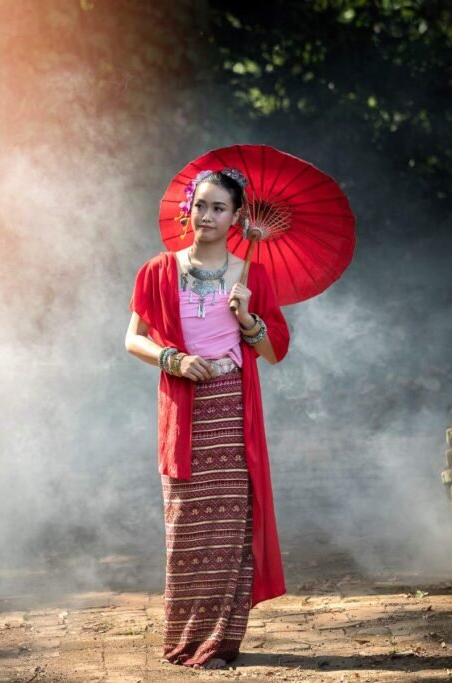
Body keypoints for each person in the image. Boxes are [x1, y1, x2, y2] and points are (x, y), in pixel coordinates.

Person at [125, 168, 290, 669]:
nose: (208, 216)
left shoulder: (252, 276)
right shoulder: (158, 270)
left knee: (230, 532)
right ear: (187, 210)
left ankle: (220, 643)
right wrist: (173, 360)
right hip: (184, 413)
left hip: (233, 412)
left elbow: (274, 352)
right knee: (186, 530)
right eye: (201, 205)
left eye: (220, 208)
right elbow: (133, 338)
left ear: (238, 217)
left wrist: (248, 318)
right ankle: (183, 639)